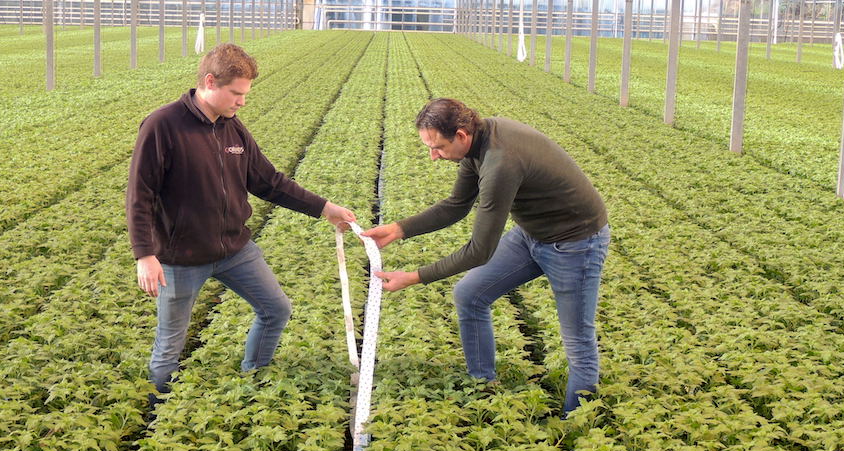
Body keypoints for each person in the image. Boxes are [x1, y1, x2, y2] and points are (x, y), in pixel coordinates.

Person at [127, 43, 355, 402]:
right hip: (181, 257)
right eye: (236, 93)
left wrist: (324, 207)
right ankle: (159, 413)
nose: (241, 102)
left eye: (245, 94)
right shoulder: (163, 125)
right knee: (170, 343)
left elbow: (268, 181)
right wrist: (145, 255)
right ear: (210, 82)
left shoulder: (232, 129)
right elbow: (140, 195)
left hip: (235, 248)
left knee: (276, 308)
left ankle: (255, 377)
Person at [363, 98, 610, 416]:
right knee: (469, 293)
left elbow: (480, 250)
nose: (433, 156)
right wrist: (398, 229)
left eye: (437, 147)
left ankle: (579, 421)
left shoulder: (500, 163)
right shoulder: (479, 139)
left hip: (576, 243)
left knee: (577, 338)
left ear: (461, 135)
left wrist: (414, 277)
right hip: (531, 234)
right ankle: (483, 385)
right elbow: (456, 205)